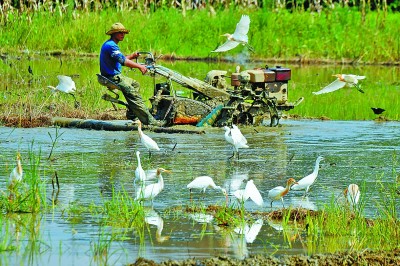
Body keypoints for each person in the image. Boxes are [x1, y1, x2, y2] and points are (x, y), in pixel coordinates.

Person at [100, 22, 163, 126]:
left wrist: (132, 56)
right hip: (113, 77)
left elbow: (120, 59)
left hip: (114, 76)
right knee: (134, 95)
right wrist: (140, 66)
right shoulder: (111, 46)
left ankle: (132, 114)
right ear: (114, 34)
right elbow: (123, 61)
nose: (122, 34)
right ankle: (150, 122)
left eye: (123, 32)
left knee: (135, 84)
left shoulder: (111, 45)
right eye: (120, 32)